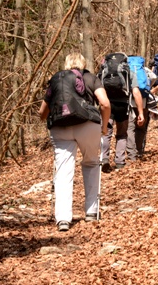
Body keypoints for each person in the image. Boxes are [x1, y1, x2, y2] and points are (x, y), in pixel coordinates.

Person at [39, 52, 111, 231]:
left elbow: (42, 113)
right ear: (83, 63)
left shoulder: (57, 80)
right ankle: (91, 211)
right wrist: (103, 128)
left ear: (66, 64)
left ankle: (63, 218)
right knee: (91, 163)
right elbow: (105, 103)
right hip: (88, 125)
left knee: (63, 170)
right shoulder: (90, 78)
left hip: (60, 127)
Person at [99, 53, 145, 172]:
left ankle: (104, 159)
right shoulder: (129, 72)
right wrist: (140, 112)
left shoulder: (104, 72)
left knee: (106, 133)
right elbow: (136, 92)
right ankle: (120, 161)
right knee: (122, 134)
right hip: (123, 105)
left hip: (107, 105)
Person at [126, 63, 158, 161]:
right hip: (143, 101)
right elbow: (154, 77)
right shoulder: (144, 69)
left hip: (129, 101)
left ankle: (131, 153)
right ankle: (139, 150)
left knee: (130, 127)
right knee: (141, 127)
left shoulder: (125, 69)